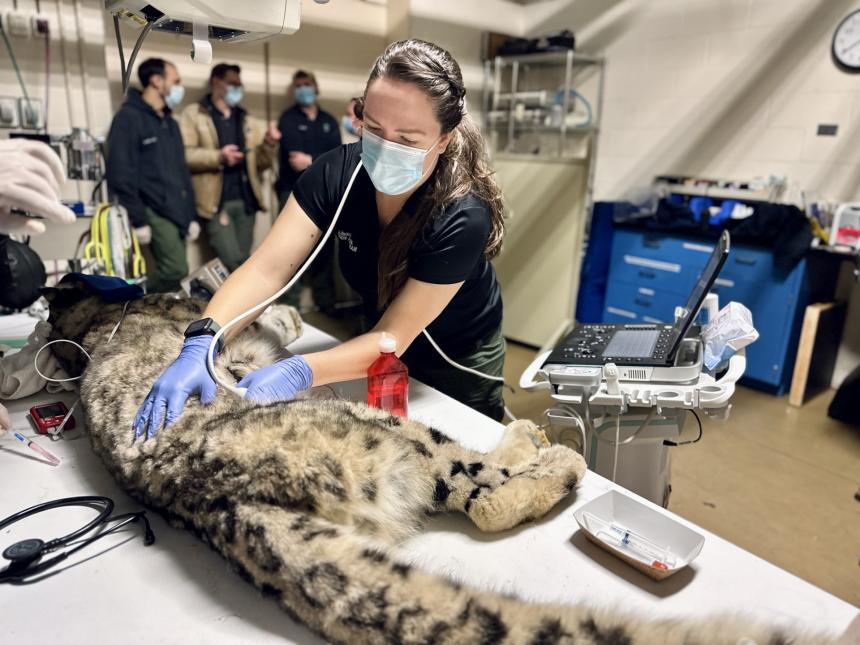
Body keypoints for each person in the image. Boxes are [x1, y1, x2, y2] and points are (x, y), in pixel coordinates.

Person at [134, 39, 507, 439]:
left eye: (408, 140)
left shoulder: (461, 213)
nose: (385, 149)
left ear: (445, 139)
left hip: (457, 353)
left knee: (460, 448)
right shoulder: (336, 175)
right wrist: (203, 339)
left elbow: (393, 337)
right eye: (375, 130)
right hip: (375, 342)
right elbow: (266, 269)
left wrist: (301, 369)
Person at [105, 58, 198, 293]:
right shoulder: (129, 118)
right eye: (175, 81)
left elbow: (181, 171)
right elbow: (120, 173)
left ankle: (154, 318)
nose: (179, 87)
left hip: (177, 210)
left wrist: (191, 215)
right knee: (175, 271)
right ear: (157, 81)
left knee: (179, 274)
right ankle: (129, 300)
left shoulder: (170, 123)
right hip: (153, 208)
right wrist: (139, 220)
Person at [180, 63, 281, 273]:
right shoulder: (195, 114)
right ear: (216, 82)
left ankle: (240, 306)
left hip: (246, 201)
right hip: (216, 202)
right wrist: (219, 157)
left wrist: (270, 145)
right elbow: (185, 155)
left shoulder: (245, 118)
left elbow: (260, 163)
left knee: (243, 260)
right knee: (232, 261)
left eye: (239, 83)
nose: (238, 87)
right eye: (233, 83)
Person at [275, 70, 342, 310]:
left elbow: (336, 157)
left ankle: (327, 305)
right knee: (290, 252)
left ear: (316, 87)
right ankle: (290, 307)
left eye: (307, 84)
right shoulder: (288, 119)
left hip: (326, 194)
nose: (303, 89)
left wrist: (311, 160)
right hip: (293, 193)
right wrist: (318, 161)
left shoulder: (328, 120)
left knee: (324, 253)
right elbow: (295, 160)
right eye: (299, 85)